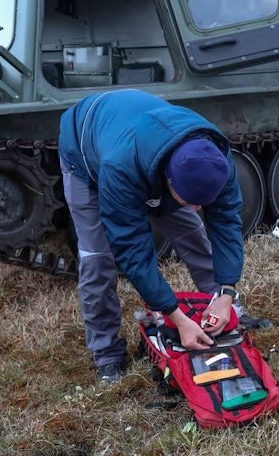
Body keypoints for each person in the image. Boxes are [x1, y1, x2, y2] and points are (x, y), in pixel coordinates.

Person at [58, 89, 244, 384]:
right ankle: (107, 352)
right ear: (168, 179)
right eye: (190, 200)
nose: (198, 208)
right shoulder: (119, 168)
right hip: (86, 154)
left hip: (146, 148)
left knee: (193, 233)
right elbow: (132, 250)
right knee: (98, 259)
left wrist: (227, 292)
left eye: (203, 202)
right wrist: (176, 317)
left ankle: (223, 312)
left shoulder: (215, 158)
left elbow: (227, 223)